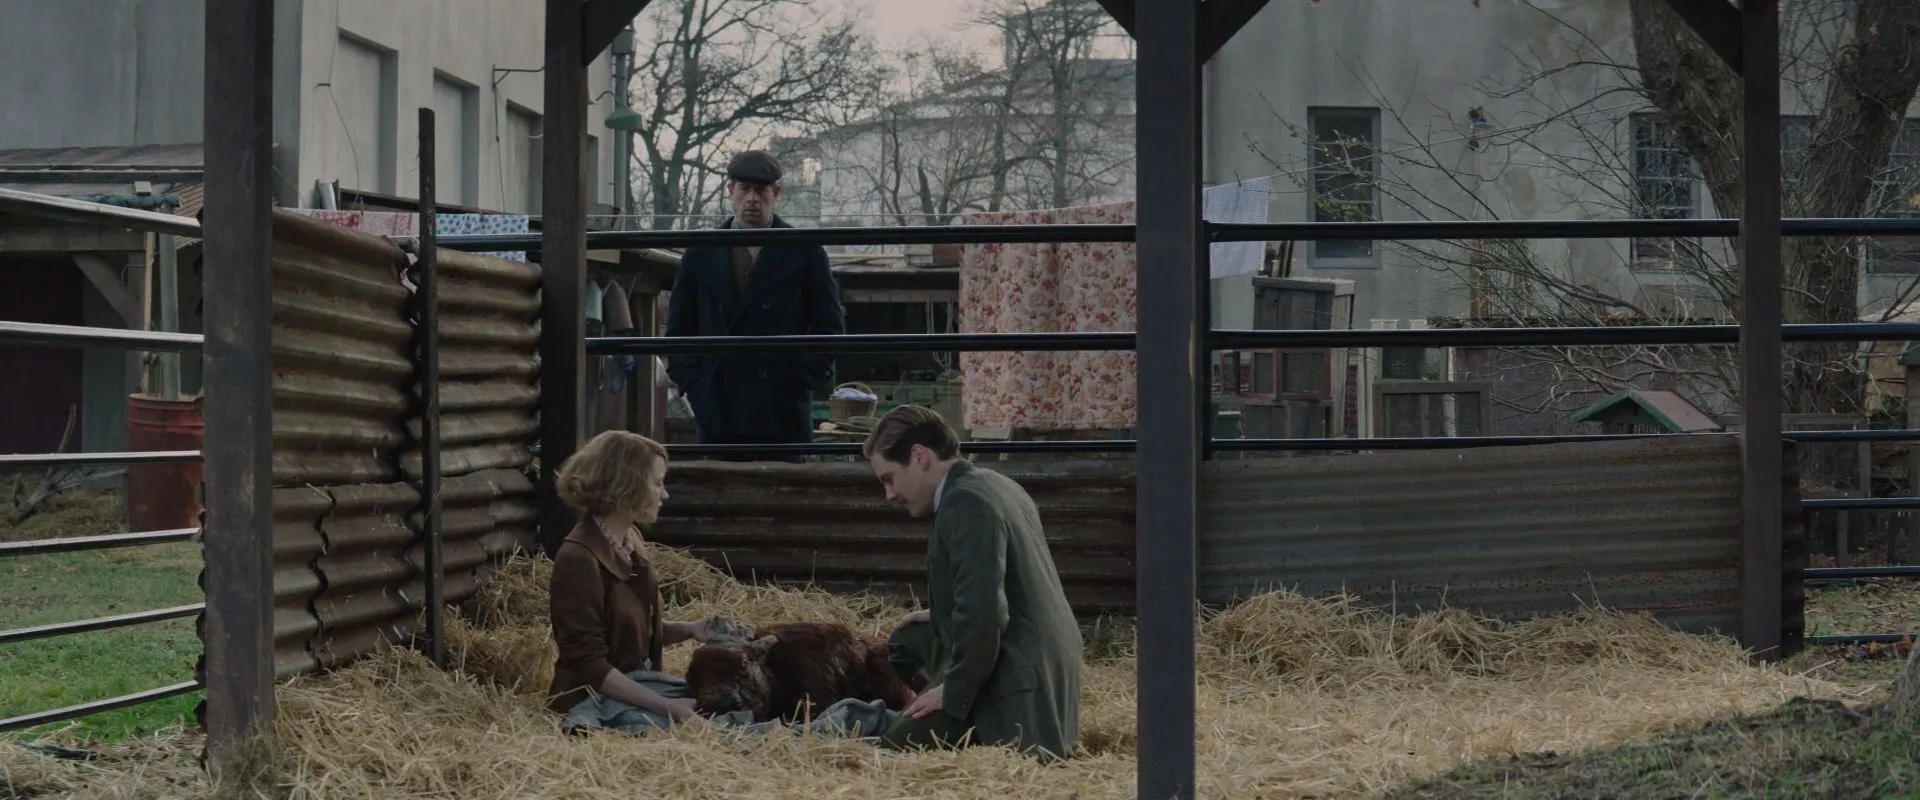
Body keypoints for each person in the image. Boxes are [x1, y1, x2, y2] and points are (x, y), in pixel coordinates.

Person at [860, 405, 1083, 763]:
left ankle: (970, 717)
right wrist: (942, 611)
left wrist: (954, 691)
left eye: (889, 478)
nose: (889, 494)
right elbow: (1005, 583)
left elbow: (985, 613)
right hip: (1039, 653)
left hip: (1018, 672)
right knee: (906, 641)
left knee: (892, 754)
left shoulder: (966, 502)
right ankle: (953, 707)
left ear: (919, 457)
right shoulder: (994, 483)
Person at [664, 149, 846, 456]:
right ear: (730, 191)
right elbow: (679, 330)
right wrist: (699, 388)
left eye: (760, 190)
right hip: (720, 406)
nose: (752, 199)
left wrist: (798, 383)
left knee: (783, 495)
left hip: (781, 410)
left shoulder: (805, 252)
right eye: (744, 189)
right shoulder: (701, 253)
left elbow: (829, 328)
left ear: (775, 193)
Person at [546, 429, 717, 732]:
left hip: (637, 685)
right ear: (627, 486)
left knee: (723, 702)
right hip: (594, 698)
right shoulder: (578, 559)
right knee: (716, 724)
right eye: (657, 483)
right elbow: (588, 665)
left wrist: (690, 629)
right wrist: (670, 708)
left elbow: (630, 632)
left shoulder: (630, 539)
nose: (664, 494)